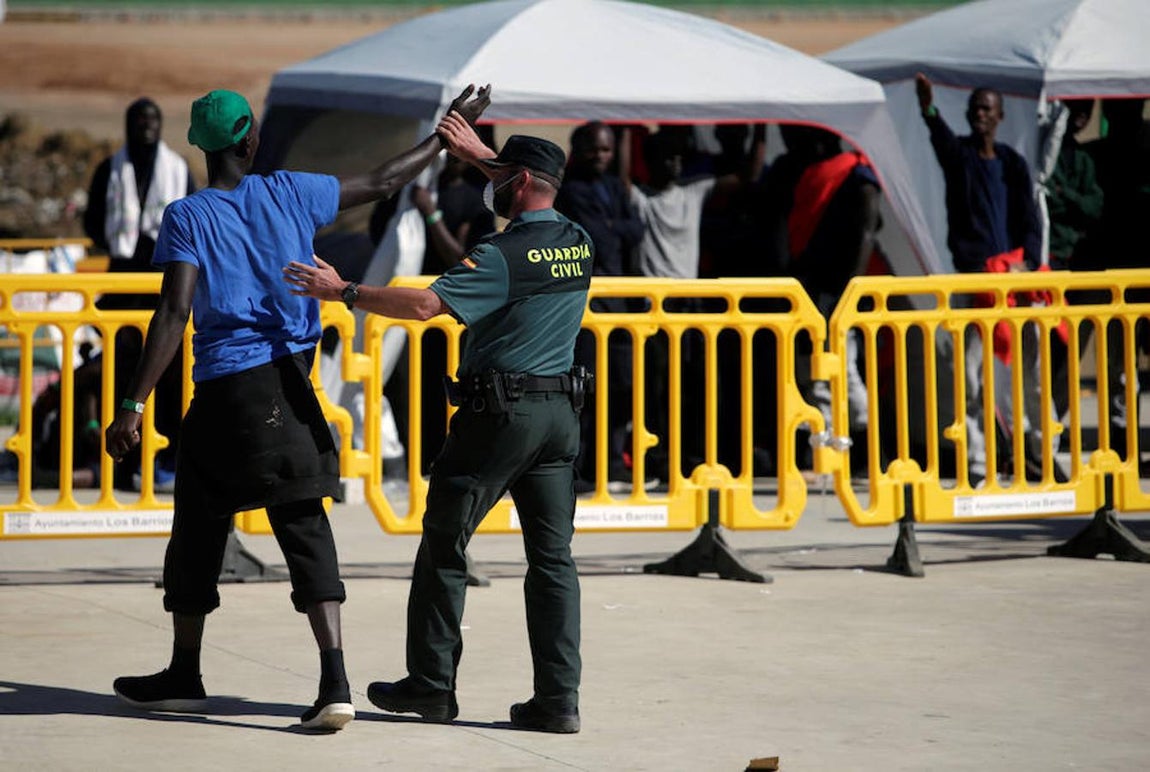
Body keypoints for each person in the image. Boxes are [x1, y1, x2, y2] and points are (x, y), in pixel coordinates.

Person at [104, 84, 491, 730]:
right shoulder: (288, 192)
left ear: (200, 146)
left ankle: (185, 668)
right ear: (251, 139)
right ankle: (334, 681)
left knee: (198, 526)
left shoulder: (188, 216)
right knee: (304, 525)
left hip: (228, 391)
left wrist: (131, 402)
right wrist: (448, 131)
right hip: (293, 386)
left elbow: (173, 311)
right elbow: (383, 178)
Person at [285, 118, 591, 734]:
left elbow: (425, 306)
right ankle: (558, 701)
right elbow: (529, 187)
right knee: (552, 561)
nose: (491, 185)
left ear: (521, 181)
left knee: (445, 546)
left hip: (501, 416)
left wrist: (341, 289)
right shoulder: (577, 239)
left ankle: (430, 684)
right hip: (560, 417)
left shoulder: (501, 255)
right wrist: (484, 156)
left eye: (500, 176)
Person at [915, 73, 1052, 486]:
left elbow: (1030, 222)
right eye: (975, 108)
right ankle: (976, 458)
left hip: (1013, 286)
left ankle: (1030, 452)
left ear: (1000, 116)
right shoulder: (961, 157)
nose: (980, 115)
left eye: (987, 109)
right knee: (968, 373)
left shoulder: (1012, 164)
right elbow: (941, 142)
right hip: (975, 283)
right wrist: (929, 110)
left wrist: (1025, 264)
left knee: (1023, 376)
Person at [83, 97, 196, 491]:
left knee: (168, 379)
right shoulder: (109, 170)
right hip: (122, 290)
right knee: (121, 376)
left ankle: (166, 459)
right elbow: (94, 223)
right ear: (128, 125)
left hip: (165, 288)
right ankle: (121, 463)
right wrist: (126, 243)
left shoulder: (177, 170)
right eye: (140, 120)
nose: (147, 127)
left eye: (153, 120)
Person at [766, 124, 883, 473]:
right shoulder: (801, 171)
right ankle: (825, 448)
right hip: (809, 291)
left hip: (838, 294)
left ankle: (864, 449)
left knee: (843, 373)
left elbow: (866, 230)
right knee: (811, 374)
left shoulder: (854, 172)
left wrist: (848, 292)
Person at [554, 121, 645, 490]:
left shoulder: (613, 188)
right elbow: (599, 234)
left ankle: (611, 462)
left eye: (607, 149)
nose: (600, 156)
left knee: (621, 388)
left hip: (621, 302)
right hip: (586, 306)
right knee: (584, 391)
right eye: (594, 149)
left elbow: (634, 231)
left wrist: (616, 227)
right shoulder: (568, 191)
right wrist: (616, 227)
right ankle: (578, 467)